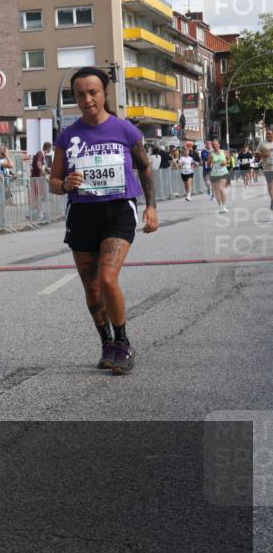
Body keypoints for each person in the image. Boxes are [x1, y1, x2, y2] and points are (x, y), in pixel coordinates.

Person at [49, 67, 158, 376]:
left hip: (118, 212)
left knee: (108, 279)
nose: (87, 99)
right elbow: (53, 182)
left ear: (104, 93)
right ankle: (106, 343)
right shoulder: (67, 137)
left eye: (93, 92)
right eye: (80, 94)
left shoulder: (125, 130)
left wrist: (151, 207)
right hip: (82, 215)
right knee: (93, 289)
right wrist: (66, 183)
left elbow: (146, 169)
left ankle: (123, 342)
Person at [209, 144, 230, 214]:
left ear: (219, 145)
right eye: (213, 145)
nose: (215, 146)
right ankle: (220, 207)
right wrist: (211, 161)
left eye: (216, 144)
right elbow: (208, 164)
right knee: (216, 191)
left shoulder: (224, 152)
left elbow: (229, 160)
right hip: (214, 174)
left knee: (221, 188)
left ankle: (224, 206)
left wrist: (226, 162)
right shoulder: (211, 153)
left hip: (223, 172)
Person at [257, 129, 273, 210]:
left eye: (269, 134)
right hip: (267, 167)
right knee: (270, 184)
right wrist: (263, 155)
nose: (268, 135)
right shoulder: (262, 143)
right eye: (267, 134)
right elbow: (256, 154)